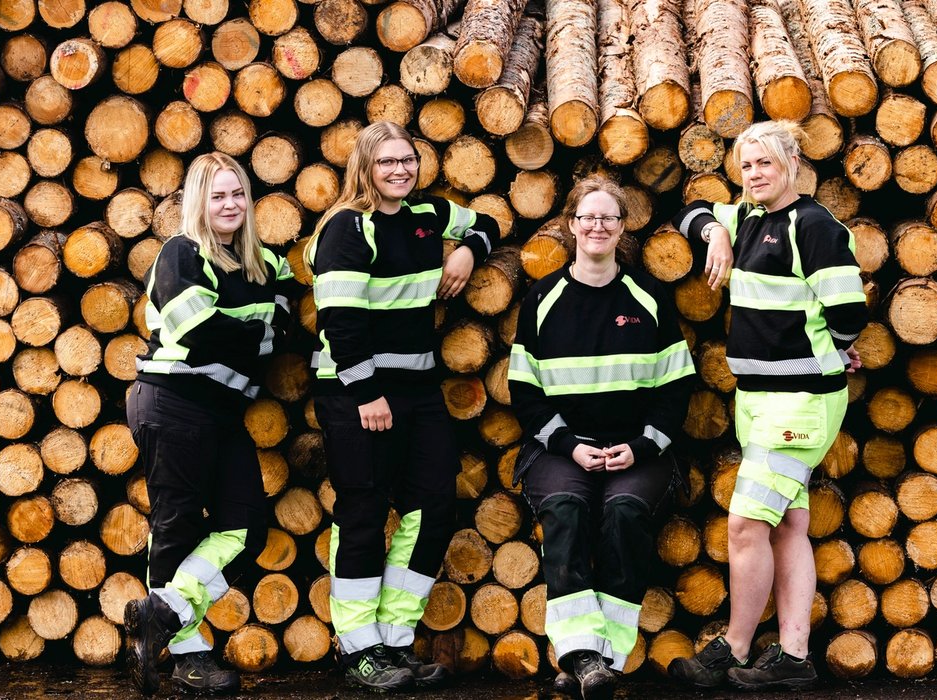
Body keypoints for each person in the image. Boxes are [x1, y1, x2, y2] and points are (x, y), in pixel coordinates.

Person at [667, 120, 867, 691]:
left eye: (766, 163)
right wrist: (716, 234)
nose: (754, 174)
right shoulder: (746, 217)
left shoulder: (815, 226)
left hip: (801, 402)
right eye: (746, 164)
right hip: (759, 399)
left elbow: (849, 312)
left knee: (744, 527)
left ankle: (733, 647)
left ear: (794, 163)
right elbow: (690, 211)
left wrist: (838, 351)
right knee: (788, 525)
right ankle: (794, 656)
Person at [307, 121, 496, 692]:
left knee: (435, 507)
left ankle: (393, 639)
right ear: (365, 167)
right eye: (387, 162)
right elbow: (340, 319)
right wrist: (366, 392)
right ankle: (359, 648)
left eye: (407, 160)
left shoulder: (428, 216)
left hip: (417, 388)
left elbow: (486, 222)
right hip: (354, 389)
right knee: (363, 511)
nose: (399, 171)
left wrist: (465, 252)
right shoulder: (347, 227)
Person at [124, 152, 305, 695]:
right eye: (217, 195)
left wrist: (259, 324)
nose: (229, 204)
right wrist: (261, 325)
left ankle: (162, 612)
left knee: (245, 527)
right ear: (197, 202)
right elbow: (201, 329)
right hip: (172, 400)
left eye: (236, 194)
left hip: (220, 410)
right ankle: (186, 659)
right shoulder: (180, 254)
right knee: (177, 523)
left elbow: (292, 322)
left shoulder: (263, 263)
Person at [508, 176, 695, 700]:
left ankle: (604, 660)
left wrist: (641, 446)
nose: (597, 226)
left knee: (625, 511)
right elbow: (525, 392)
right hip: (561, 447)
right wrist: (569, 445)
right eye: (587, 217)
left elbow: (676, 389)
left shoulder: (648, 297)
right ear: (570, 226)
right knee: (566, 505)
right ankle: (580, 652)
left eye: (608, 218)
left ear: (621, 228)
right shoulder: (542, 299)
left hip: (638, 448)